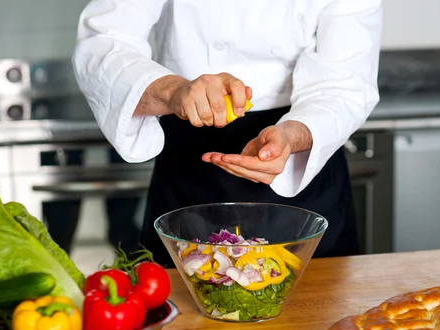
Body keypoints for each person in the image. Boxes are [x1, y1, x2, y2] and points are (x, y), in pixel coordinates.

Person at [72, 0, 383, 267]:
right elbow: (104, 41)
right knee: (183, 326)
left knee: (318, 315)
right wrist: (175, 91)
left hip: (303, 156)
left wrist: (293, 134)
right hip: (190, 162)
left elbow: (345, 80)